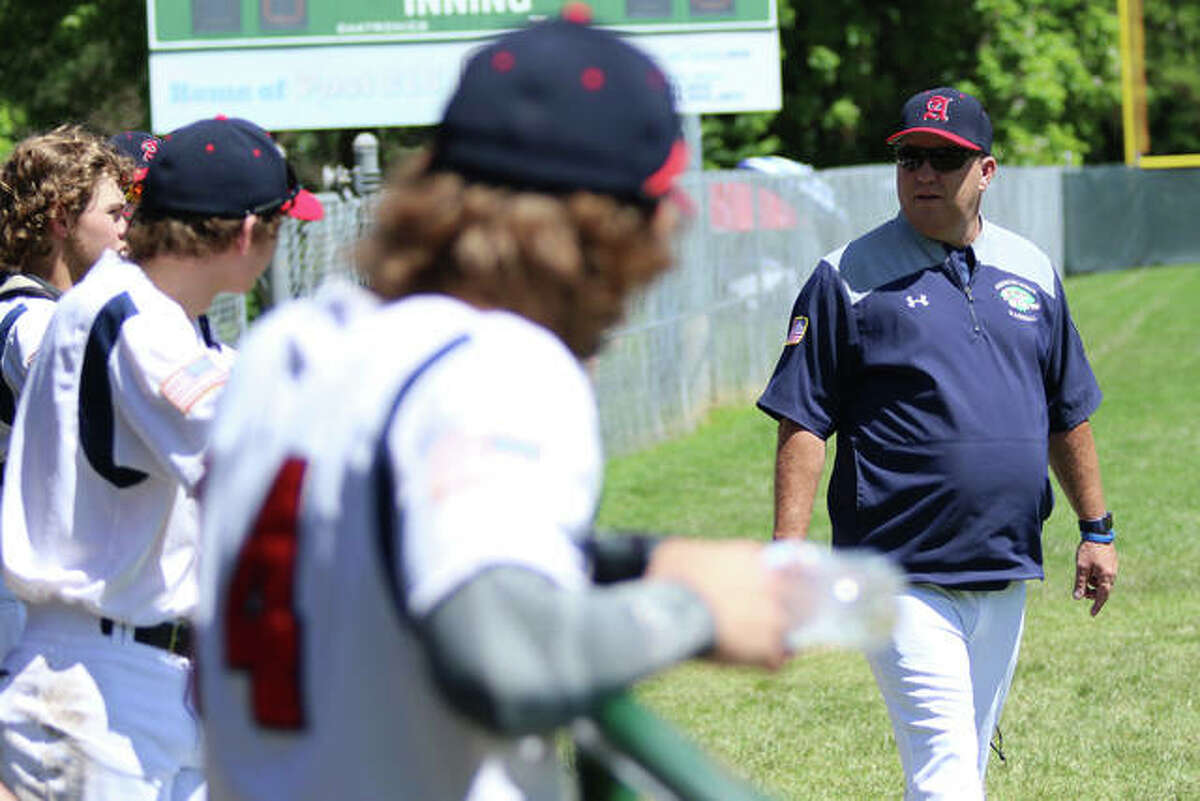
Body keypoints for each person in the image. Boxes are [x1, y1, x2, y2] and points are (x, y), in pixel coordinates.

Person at [195, 12, 792, 801]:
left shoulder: (291, 344)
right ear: (607, 226)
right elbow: (502, 655)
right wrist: (694, 610)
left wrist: (634, 564)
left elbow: (382, 549)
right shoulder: (500, 364)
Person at [758, 86, 1119, 801]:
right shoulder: (846, 278)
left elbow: (1066, 410)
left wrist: (1096, 528)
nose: (923, 173)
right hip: (897, 569)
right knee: (948, 777)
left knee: (959, 767)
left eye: (944, 159)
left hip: (1003, 563)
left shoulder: (1032, 271)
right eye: (910, 157)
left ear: (985, 171)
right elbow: (803, 418)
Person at [0, 115, 322, 801]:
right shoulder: (133, 318)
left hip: (134, 676)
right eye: (277, 223)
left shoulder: (147, 310)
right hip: (96, 685)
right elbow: (249, 457)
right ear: (243, 234)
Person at [0, 125, 135, 663]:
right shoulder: (31, 321)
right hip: (25, 605)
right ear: (61, 219)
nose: (127, 231)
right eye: (115, 214)